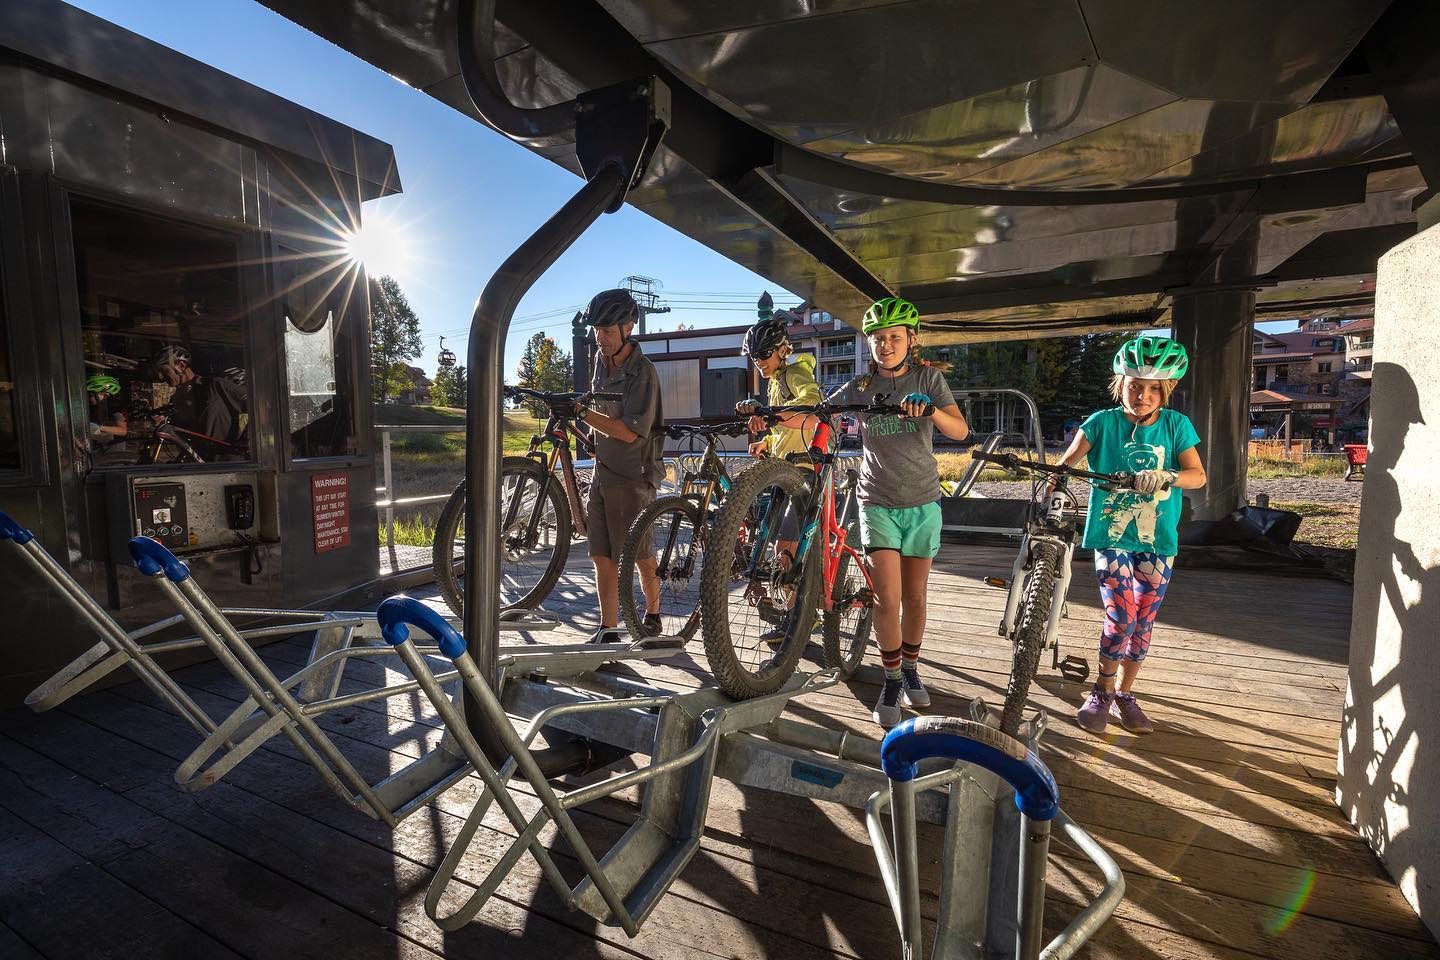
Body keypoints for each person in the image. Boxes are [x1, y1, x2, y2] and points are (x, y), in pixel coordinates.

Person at [1048, 335, 1206, 735]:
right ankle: (1101, 690)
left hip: (1158, 541)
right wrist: (1056, 478)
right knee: (1121, 616)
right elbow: (1066, 462)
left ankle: (1124, 695)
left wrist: (1168, 475)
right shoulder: (1101, 422)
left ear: (1166, 389)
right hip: (1111, 534)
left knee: (1144, 620)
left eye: (1154, 388)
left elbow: (1198, 475)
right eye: (1135, 385)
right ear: (1121, 383)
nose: (1143, 395)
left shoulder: (1176, 425)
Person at [830, 297, 970, 727]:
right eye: (877, 338)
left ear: (911, 339)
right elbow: (819, 417)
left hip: (923, 501)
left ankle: (910, 669)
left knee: (915, 597)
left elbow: (961, 430)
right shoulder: (859, 387)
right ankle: (891, 678)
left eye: (894, 337)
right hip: (877, 502)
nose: (885, 345)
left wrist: (929, 408)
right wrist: (767, 416)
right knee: (886, 597)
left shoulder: (927, 378)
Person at [571, 289, 666, 642]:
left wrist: (584, 413)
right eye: (597, 329)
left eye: (608, 330)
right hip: (603, 471)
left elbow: (629, 432)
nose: (600, 337)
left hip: (633, 475)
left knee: (639, 555)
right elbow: (599, 411)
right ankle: (608, 628)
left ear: (628, 327)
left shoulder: (644, 372)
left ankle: (652, 614)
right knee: (601, 555)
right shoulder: (600, 359)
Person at [734, 294, 823, 645]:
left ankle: (801, 616)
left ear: (782, 350)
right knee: (777, 542)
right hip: (783, 465)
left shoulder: (797, 371)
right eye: (754, 357)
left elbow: (809, 408)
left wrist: (772, 415)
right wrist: (767, 441)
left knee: (787, 538)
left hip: (803, 467)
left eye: (763, 355)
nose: (758, 362)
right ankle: (794, 610)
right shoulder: (774, 382)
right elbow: (786, 425)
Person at [152, 345, 247, 457]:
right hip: (199, 460)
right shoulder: (177, 398)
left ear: (181, 365)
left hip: (226, 459)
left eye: (164, 371)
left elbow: (259, 406)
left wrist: (247, 439)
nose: (160, 377)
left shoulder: (215, 386)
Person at [86, 374, 129, 443]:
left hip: (111, 447)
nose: (103, 398)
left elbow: (123, 431)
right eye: (102, 394)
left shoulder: (112, 408)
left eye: (104, 395)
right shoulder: (89, 407)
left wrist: (99, 428)